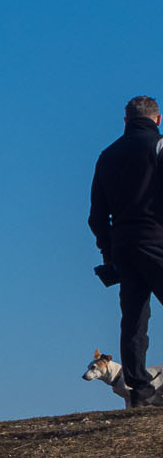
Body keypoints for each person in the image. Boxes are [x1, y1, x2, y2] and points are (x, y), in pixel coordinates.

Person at [88, 95, 163, 407]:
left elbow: (95, 216)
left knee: (133, 320)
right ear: (158, 119)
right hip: (157, 241)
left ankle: (141, 392)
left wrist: (109, 252)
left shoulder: (107, 156)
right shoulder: (159, 146)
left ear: (125, 121)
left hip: (123, 247)